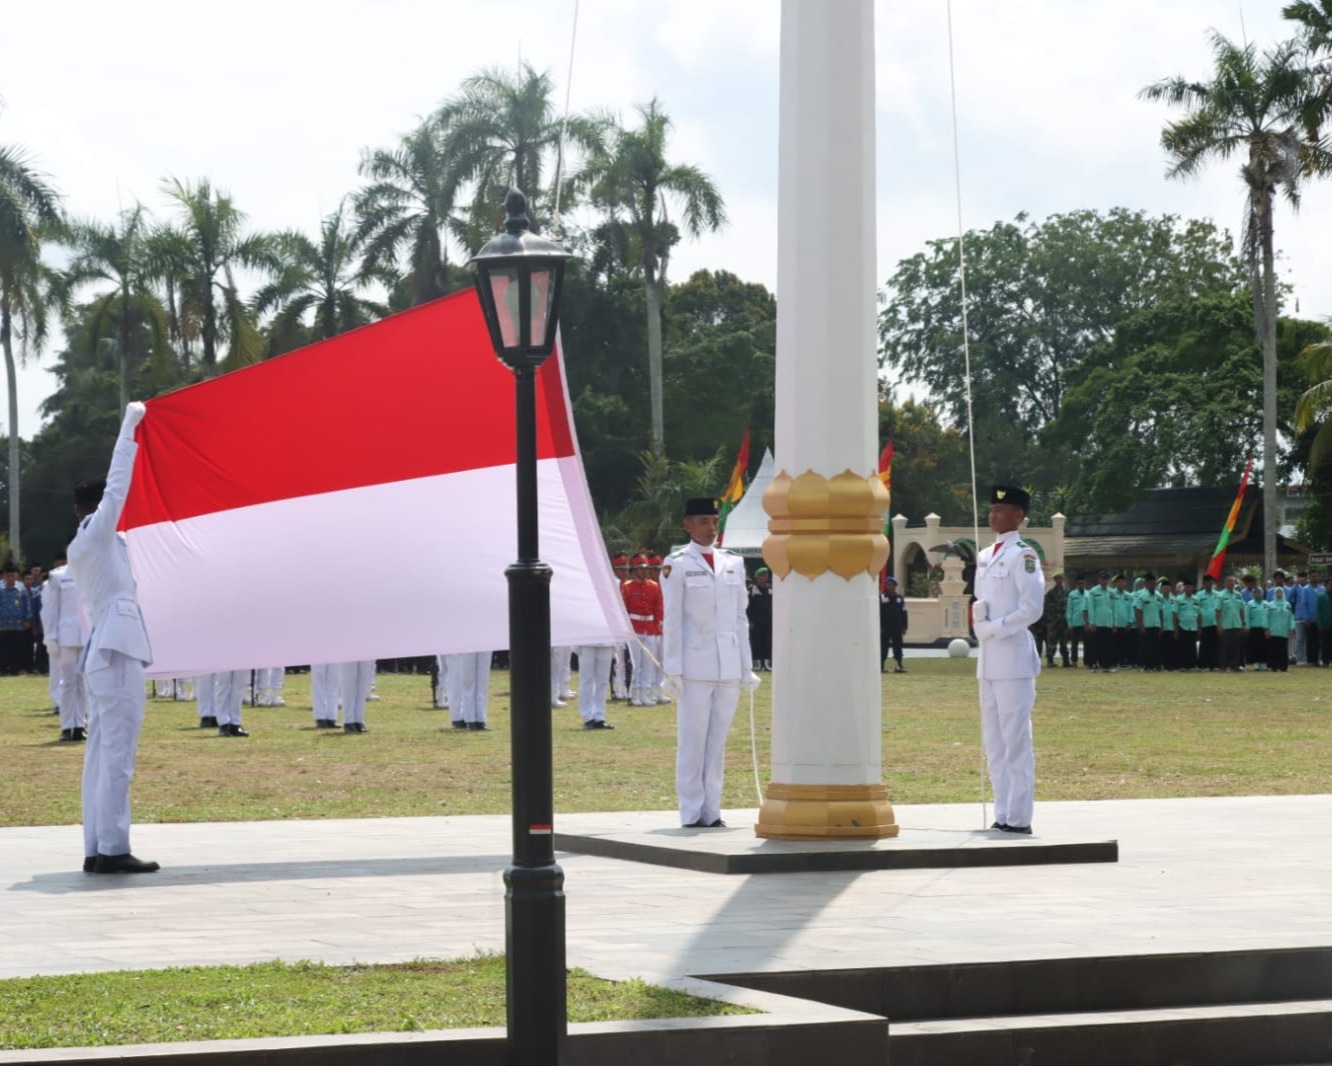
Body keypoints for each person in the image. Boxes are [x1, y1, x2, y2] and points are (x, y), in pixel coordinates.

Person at [68, 402, 158, 875]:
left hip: (105, 652)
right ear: (95, 506)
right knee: (117, 754)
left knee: (101, 755)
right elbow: (119, 483)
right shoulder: (98, 535)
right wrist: (130, 426)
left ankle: (97, 846)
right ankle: (112, 849)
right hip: (115, 652)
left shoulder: (89, 544)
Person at [660, 497, 758, 829]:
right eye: (703, 521)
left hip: (728, 662)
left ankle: (712, 810)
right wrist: (671, 668)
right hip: (694, 662)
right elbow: (672, 620)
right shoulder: (677, 563)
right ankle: (691, 809)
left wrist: (746, 666)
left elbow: (740, 618)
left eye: (714, 521)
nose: (710, 528)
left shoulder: (733, 563)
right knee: (693, 738)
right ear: (687, 525)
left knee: (717, 741)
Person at [971, 484, 1045, 835]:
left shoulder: (1023, 556)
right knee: (994, 742)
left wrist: (994, 628)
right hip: (987, 662)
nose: (993, 515)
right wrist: (978, 620)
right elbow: (981, 600)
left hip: (1013, 660)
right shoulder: (985, 555)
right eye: (991, 509)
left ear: (1018, 516)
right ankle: (1002, 813)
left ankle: (1019, 817)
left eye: (1001, 510)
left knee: (1016, 740)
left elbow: (1031, 609)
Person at [41, 555, 89, 742]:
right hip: (65, 636)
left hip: (85, 635)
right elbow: (50, 610)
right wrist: (50, 636)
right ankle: (67, 725)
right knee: (68, 682)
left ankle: (81, 724)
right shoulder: (58, 576)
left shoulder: (90, 572)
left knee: (84, 683)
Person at [622, 555, 664, 706]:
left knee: (649, 663)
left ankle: (646, 694)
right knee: (636, 664)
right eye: (641, 568)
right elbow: (624, 610)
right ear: (635, 570)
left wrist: (658, 627)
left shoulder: (654, 586)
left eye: (646, 568)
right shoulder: (627, 587)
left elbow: (658, 608)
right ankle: (634, 694)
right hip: (634, 627)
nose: (645, 571)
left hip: (650, 628)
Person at [574, 643, 616, 729]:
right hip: (586, 640)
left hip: (606, 640)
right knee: (586, 680)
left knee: (603, 681)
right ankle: (587, 717)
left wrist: (617, 643)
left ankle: (599, 717)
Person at [0, 562, 32, 676]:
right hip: (2, 625)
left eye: (13, 576)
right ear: (4, 576)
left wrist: (28, 619)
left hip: (18, 624)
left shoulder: (21, 588)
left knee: (17, 648)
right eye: (8, 576)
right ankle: (2, 669)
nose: (11, 578)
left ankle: (15, 669)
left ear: (16, 576)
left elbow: (26, 603)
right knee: (3, 648)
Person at [879, 575, 908, 672]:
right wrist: (879, 626)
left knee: (898, 646)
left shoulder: (899, 598)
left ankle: (899, 665)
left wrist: (904, 626)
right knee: (883, 646)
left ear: (895, 586)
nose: (890, 587)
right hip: (885, 627)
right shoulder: (882, 597)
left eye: (892, 585)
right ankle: (881, 666)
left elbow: (904, 613)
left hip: (897, 627)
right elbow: (878, 612)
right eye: (888, 585)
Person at [748, 567, 774, 671]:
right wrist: (749, 621)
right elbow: (747, 607)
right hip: (756, 621)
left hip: (768, 621)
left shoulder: (770, 589)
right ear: (757, 577)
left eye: (766, 576)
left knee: (768, 641)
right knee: (756, 641)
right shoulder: (752, 590)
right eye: (762, 576)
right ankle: (757, 662)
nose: (765, 578)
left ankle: (767, 662)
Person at [1042, 571, 1069, 668]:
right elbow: (1047, 609)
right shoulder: (1050, 594)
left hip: (1064, 622)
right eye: (1057, 579)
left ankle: (1066, 661)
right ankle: (1050, 661)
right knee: (1052, 643)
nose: (1059, 580)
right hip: (1053, 622)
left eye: (1061, 578)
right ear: (1055, 580)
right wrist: (1049, 622)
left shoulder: (1067, 593)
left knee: (1064, 642)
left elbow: (1069, 608)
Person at [1267, 585, 1293, 672]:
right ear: (1274, 593)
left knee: (1283, 649)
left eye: (1280, 592)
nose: (1279, 594)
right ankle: (1273, 666)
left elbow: (1291, 618)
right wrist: (1266, 629)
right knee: (1273, 648)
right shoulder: (1270, 605)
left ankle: (1283, 666)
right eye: (1277, 592)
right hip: (1273, 630)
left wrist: (1291, 628)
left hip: (1284, 631)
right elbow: (1266, 617)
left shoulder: (1287, 605)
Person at [1065, 574, 1087, 668]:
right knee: (1074, 643)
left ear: (1085, 583)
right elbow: (1069, 609)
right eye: (1079, 583)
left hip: (1086, 622)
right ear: (1076, 584)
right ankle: (1074, 661)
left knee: (1087, 643)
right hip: (1075, 623)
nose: (1080, 585)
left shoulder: (1089, 593)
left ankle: (1087, 661)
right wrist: (1069, 623)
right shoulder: (1072, 594)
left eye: (1082, 583)